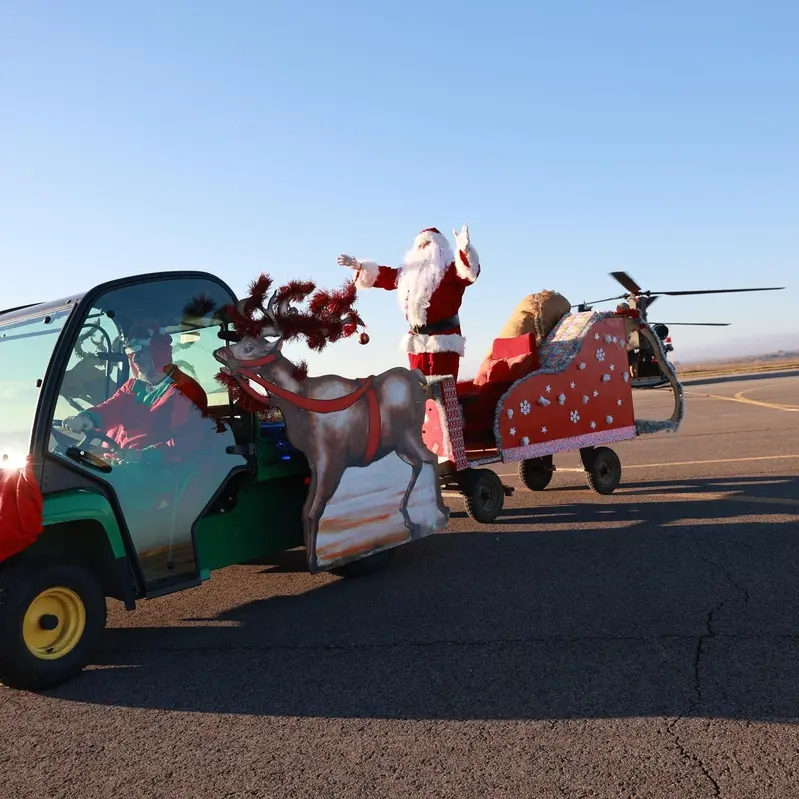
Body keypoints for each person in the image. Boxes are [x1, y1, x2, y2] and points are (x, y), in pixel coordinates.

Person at [337, 225, 480, 381]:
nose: (423, 249)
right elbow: (387, 276)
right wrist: (359, 266)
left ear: (440, 249)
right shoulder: (408, 274)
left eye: (428, 244)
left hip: (444, 341)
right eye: (420, 245)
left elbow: (468, 274)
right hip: (417, 343)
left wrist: (465, 251)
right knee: (418, 390)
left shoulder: (451, 270)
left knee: (444, 389)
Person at [63, 323, 215, 466]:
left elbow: (186, 440)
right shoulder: (133, 386)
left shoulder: (185, 392)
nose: (135, 359)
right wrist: (85, 418)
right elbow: (111, 408)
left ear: (159, 352)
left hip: (153, 470)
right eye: (131, 353)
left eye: (141, 352)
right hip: (115, 464)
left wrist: (145, 456)